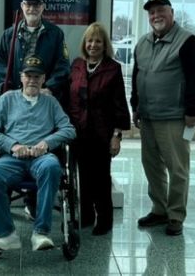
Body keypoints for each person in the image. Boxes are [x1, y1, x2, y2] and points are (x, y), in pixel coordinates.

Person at [0, 55, 75, 252]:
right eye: (28, 76)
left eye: (37, 77)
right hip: (12, 158)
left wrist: (46, 143)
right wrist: (13, 145)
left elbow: (69, 129)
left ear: (43, 79)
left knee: (52, 167)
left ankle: (41, 233)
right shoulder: (7, 99)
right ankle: (7, 235)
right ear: (21, 77)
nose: (32, 80)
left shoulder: (50, 102)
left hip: (41, 158)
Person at [130, 0, 195, 236]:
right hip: (149, 116)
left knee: (177, 168)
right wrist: (135, 106)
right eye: (152, 13)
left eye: (161, 10)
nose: (156, 16)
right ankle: (159, 209)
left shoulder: (186, 41)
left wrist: (192, 109)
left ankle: (175, 215)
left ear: (172, 13)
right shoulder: (142, 43)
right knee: (151, 166)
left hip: (174, 117)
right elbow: (136, 77)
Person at [68, 22, 131, 235]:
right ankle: (86, 216)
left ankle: (105, 219)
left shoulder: (112, 69)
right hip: (78, 132)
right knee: (81, 177)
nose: (93, 44)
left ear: (105, 45)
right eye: (90, 40)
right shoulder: (77, 65)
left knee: (101, 178)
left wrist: (117, 136)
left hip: (102, 134)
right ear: (84, 43)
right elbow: (69, 98)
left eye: (98, 41)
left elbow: (119, 104)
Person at [0, 0, 70, 101]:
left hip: (44, 98)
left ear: (43, 7)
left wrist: (50, 88)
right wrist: (8, 89)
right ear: (22, 6)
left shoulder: (56, 34)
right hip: (15, 98)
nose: (32, 8)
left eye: (36, 4)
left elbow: (63, 66)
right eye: (28, 4)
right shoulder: (9, 35)